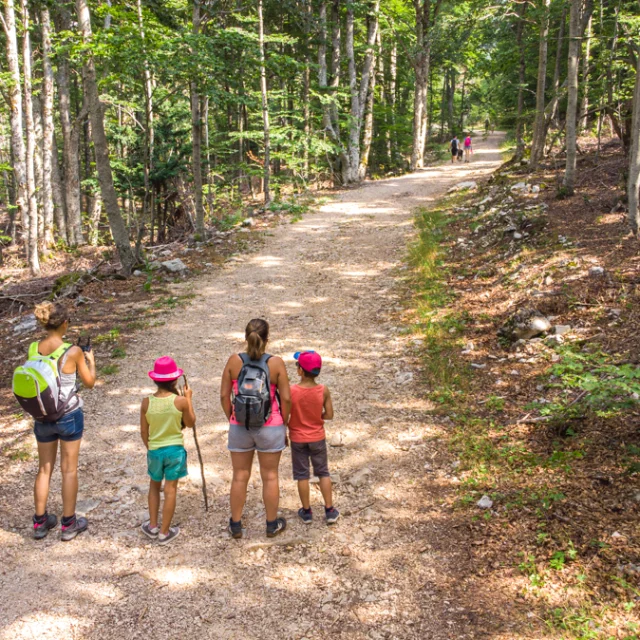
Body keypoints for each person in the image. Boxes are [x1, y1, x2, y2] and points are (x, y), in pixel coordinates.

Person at [29, 302, 96, 541]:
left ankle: (40, 522)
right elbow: (89, 383)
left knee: (44, 469)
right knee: (69, 469)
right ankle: (68, 523)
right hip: (68, 414)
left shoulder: (34, 348)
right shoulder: (73, 351)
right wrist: (91, 361)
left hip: (42, 415)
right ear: (65, 324)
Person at [220, 318, 291, 539]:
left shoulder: (233, 361)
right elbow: (286, 398)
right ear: (267, 339)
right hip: (271, 427)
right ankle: (271, 525)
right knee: (270, 476)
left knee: (240, 475)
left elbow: (224, 395)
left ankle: (236, 524)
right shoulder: (276, 363)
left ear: (245, 337)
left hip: (239, 426)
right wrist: (284, 424)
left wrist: (232, 416)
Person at [140, 357, 195, 545]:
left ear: (155, 380)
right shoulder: (180, 401)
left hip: (154, 451)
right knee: (170, 490)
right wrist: (188, 399)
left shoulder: (146, 402)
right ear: (175, 380)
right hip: (175, 451)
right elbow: (190, 423)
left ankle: (153, 525)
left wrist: (151, 448)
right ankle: (165, 532)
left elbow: (144, 432)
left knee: (154, 486)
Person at [288, 351, 339, 525]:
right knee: (323, 472)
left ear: (300, 371)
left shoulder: (291, 390)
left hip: (297, 438)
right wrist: (318, 417)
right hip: (317, 437)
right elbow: (330, 414)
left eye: (297, 365)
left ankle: (307, 511)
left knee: (302, 475)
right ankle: (330, 510)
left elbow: (286, 414)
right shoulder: (323, 390)